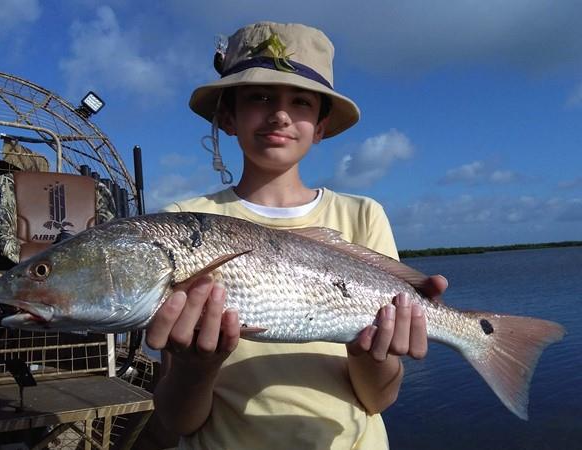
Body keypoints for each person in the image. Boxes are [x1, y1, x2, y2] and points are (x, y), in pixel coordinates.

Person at [146, 21, 447, 450]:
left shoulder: (363, 215)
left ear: (321, 126)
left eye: (301, 102)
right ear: (228, 116)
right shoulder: (183, 221)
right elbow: (179, 420)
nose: (280, 114)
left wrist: (371, 351)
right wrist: (197, 367)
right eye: (260, 97)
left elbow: (378, 398)